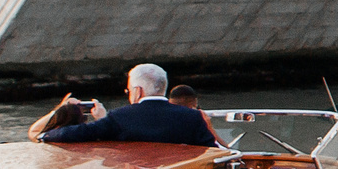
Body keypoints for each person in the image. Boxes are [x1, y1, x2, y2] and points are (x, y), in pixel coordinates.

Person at [29, 63, 219, 144]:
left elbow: (72, 133)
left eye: (128, 91)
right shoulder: (192, 117)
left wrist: (45, 133)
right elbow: (215, 155)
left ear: (137, 91)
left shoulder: (119, 117)